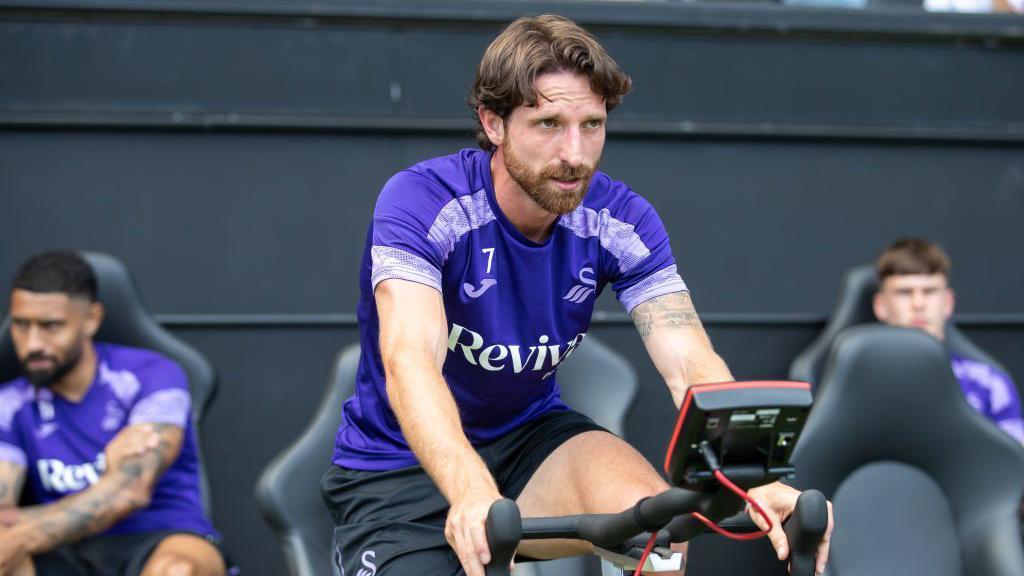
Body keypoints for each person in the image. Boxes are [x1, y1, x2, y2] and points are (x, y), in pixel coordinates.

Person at [321, 14, 833, 576]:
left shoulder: (618, 218)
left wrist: (751, 473)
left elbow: (688, 359)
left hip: (528, 441)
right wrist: (470, 489)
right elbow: (410, 360)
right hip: (401, 466)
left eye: (592, 124)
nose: (576, 153)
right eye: (549, 124)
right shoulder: (422, 201)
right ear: (494, 123)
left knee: (656, 542)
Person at [0, 252, 229, 576]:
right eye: (21, 325)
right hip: (62, 549)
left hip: (159, 535)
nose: (33, 343)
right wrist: (108, 481)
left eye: (50, 326)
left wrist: (19, 532)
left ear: (92, 319)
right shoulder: (8, 404)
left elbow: (129, 492)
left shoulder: (151, 376)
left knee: (176, 571)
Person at [873, 238, 1024, 444]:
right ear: (880, 305)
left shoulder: (987, 384)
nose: (919, 304)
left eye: (930, 291)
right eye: (904, 292)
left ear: (948, 302)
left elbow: (1015, 463)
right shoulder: (847, 383)